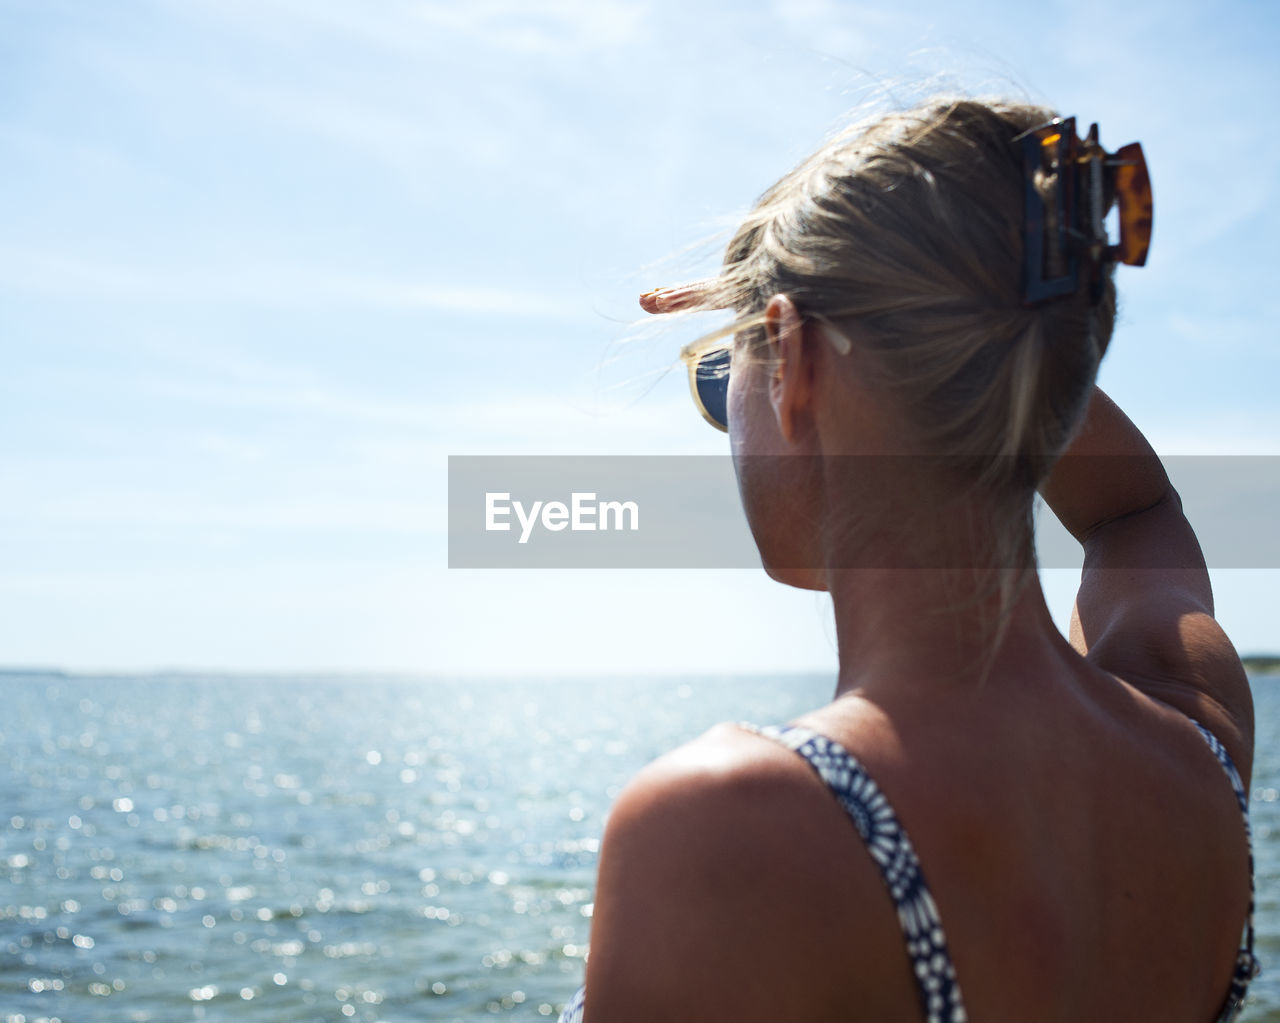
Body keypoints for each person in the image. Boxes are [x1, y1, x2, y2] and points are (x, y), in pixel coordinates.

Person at [558, 97, 1258, 1022]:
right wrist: (1015, 340)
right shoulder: (1199, 731)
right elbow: (1136, 509)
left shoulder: (735, 828)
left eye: (725, 377)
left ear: (800, 361)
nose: (725, 418)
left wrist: (996, 332)